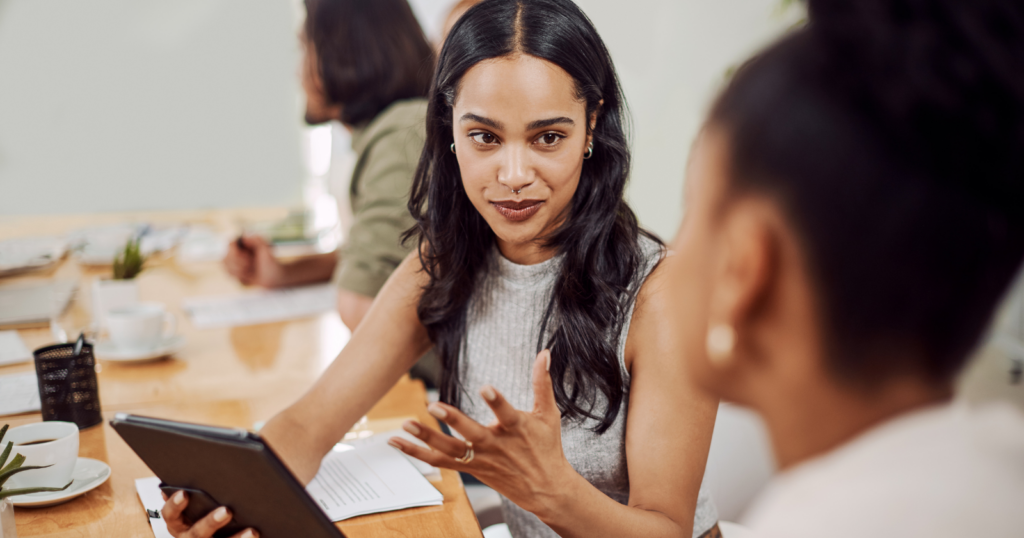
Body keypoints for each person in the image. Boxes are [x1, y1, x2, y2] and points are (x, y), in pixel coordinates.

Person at [162, 1, 720, 537]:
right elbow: (308, 425)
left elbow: (666, 529)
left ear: (591, 125)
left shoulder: (659, 293)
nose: (514, 173)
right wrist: (223, 505)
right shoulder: (441, 266)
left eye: (548, 137)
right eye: (485, 137)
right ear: (450, 129)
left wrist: (554, 492)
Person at [662, 0, 1024, 536]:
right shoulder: (999, 472)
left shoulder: (820, 520)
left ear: (745, 267)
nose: (672, 249)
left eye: (692, 208)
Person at [222, 0, 433, 335]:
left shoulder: (402, 136)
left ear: (347, 52)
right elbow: (383, 262)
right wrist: (284, 275)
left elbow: (359, 303)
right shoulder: (393, 130)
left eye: (305, 47)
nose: (297, 70)